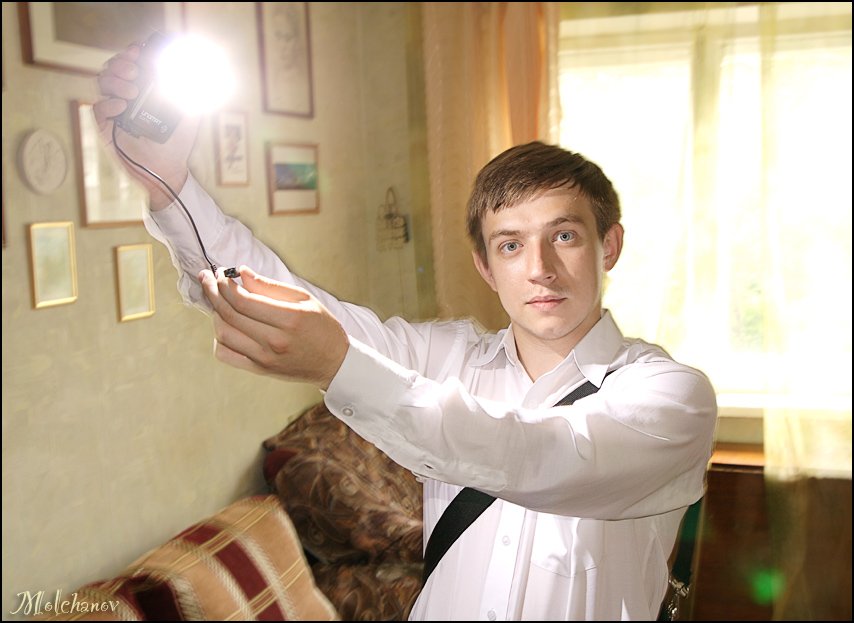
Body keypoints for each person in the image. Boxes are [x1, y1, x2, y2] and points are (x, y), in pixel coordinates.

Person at [95, 44, 717, 621]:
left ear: (609, 245)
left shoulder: (670, 398)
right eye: (510, 244)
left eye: (564, 235)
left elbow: (543, 456)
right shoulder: (443, 357)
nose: (540, 268)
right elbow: (285, 298)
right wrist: (170, 184)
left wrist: (339, 365)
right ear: (485, 267)